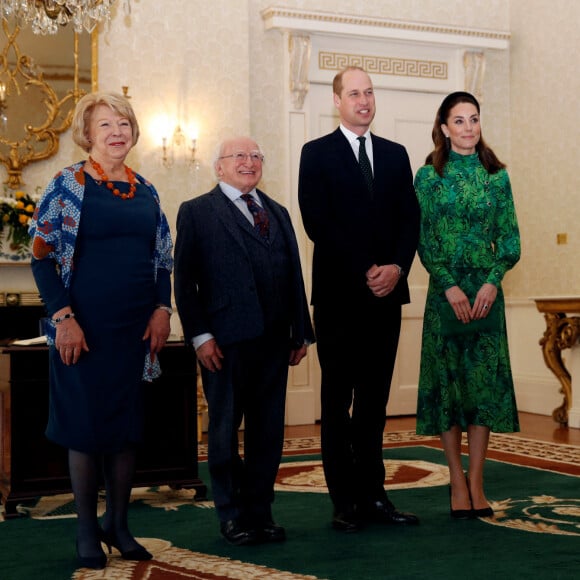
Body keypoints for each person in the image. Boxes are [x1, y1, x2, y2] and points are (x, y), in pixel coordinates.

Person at [29, 92, 173, 569]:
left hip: (135, 328)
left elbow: (163, 260)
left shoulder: (146, 189)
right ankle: (87, 531)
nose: (117, 132)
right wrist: (63, 318)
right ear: (88, 134)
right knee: (86, 429)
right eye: (106, 125)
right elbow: (42, 256)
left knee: (126, 429)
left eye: (124, 123)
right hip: (84, 328)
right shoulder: (66, 185)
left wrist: (162, 308)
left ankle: (118, 523)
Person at [174, 136, 314, 546]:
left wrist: (301, 330)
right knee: (223, 432)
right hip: (224, 344)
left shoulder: (278, 212)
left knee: (267, 434)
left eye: (256, 156)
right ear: (219, 167)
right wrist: (201, 336)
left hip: (274, 343)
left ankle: (260, 511)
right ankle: (231, 515)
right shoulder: (197, 212)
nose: (249, 162)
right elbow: (184, 281)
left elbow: (293, 275)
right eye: (239, 156)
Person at [298, 66, 420, 532]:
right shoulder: (317, 153)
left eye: (369, 92)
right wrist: (366, 268)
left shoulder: (395, 154)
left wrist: (396, 268)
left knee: (374, 403)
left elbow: (410, 219)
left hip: (387, 298)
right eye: (354, 93)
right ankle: (344, 502)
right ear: (337, 100)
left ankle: (374, 496)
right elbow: (317, 221)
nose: (363, 100)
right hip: (340, 297)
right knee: (337, 401)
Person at [414, 91, 520, 519]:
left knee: (482, 393)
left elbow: (510, 241)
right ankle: (456, 480)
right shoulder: (427, 177)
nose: (468, 128)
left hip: (486, 297)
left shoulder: (497, 177)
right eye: (459, 121)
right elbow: (423, 239)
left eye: (474, 119)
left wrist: (492, 282)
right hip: (446, 297)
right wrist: (449, 286)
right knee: (448, 390)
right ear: (443, 128)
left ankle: (477, 481)